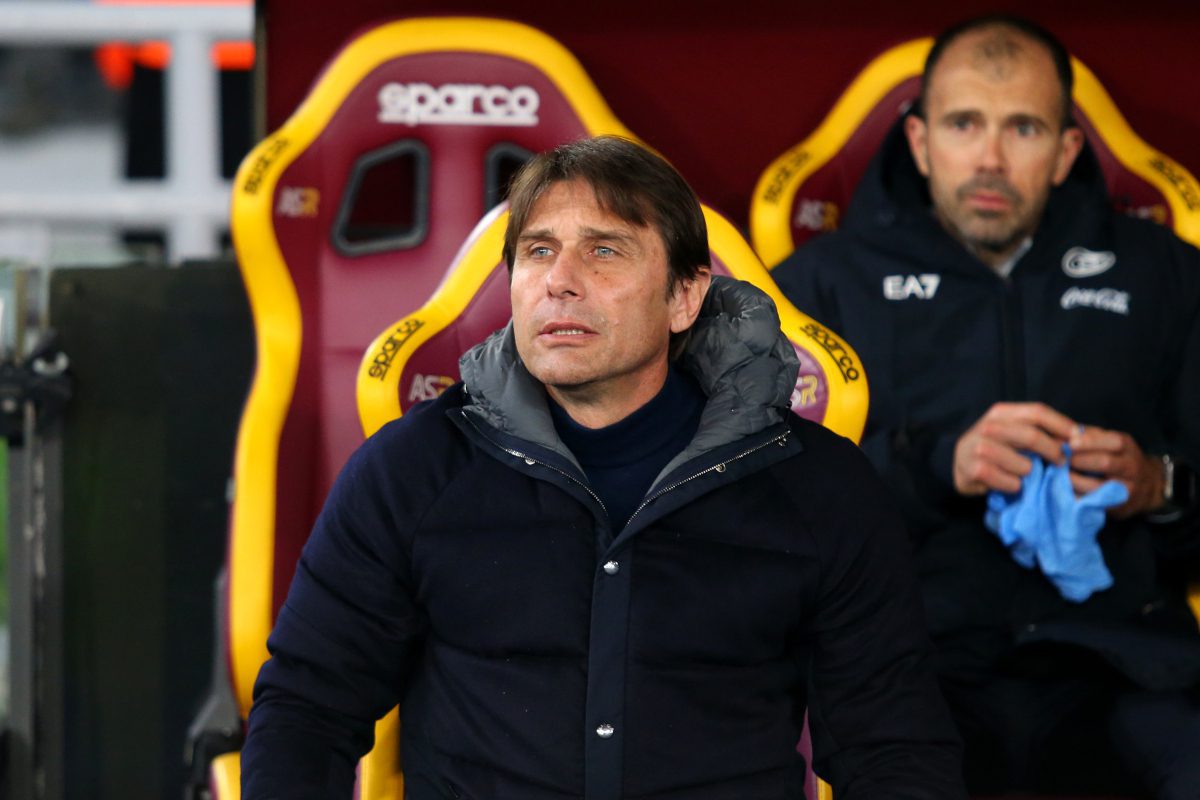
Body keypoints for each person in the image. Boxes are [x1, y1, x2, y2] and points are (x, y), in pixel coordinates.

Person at [240, 135, 965, 799]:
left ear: (685, 297)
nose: (560, 280)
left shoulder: (820, 490)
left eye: (605, 250)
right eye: (537, 251)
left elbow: (894, 751)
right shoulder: (409, 473)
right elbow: (306, 711)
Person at [773, 15, 1200, 798]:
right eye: (965, 124)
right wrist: (937, 464)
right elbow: (767, 507)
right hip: (907, 665)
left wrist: (1161, 487)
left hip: (1123, 665)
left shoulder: (1170, 278)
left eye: (1025, 128)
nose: (991, 159)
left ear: (1068, 150)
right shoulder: (819, 287)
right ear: (920, 140)